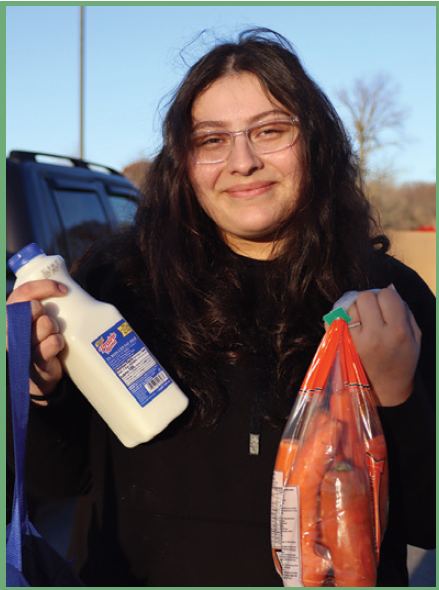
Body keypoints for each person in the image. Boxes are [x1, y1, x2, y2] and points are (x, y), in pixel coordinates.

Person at [6, 29, 435, 587]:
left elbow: (427, 523)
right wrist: (39, 390)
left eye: (271, 131)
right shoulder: (118, 283)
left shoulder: (386, 298)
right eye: (211, 140)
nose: (242, 161)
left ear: (318, 142)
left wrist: (396, 397)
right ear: (183, 160)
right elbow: (55, 485)